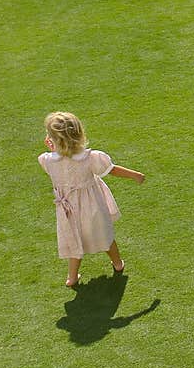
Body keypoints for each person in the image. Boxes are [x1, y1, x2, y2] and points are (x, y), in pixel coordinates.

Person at [38, 111, 145, 287]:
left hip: (68, 210)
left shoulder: (47, 160)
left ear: (53, 140)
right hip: (92, 207)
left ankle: (72, 278)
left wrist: (54, 151)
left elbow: (60, 163)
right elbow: (112, 169)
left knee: (74, 240)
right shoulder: (90, 158)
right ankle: (118, 264)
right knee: (105, 235)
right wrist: (135, 175)